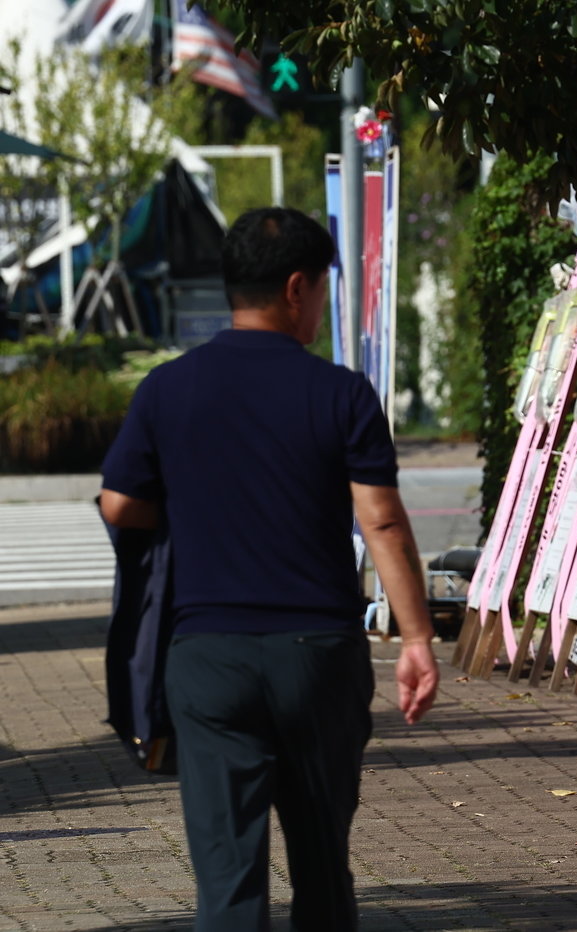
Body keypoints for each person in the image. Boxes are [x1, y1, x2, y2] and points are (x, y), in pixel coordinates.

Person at [99, 207, 438, 931]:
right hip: (317, 657)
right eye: (321, 289)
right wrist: (416, 639)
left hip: (208, 657)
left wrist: (189, 508)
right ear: (295, 288)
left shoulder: (166, 388)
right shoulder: (341, 394)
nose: (320, 305)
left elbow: (119, 504)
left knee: (227, 883)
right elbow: (379, 520)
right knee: (322, 869)